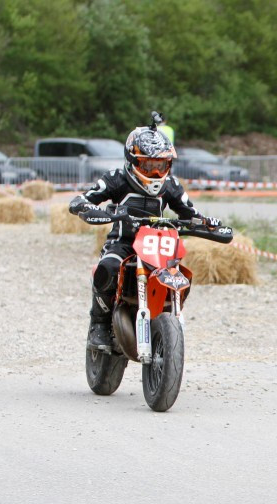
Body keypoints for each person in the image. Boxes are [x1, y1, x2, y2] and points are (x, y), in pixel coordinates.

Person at [69, 117, 218, 350]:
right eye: (149, 165)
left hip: (158, 247)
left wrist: (207, 223)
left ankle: (168, 318)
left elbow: (190, 213)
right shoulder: (116, 179)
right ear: (133, 161)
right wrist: (86, 206)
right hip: (123, 243)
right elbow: (85, 199)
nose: (156, 172)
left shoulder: (172, 186)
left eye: (162, 165)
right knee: (107, 268)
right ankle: (99, 325)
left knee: (182, 276)